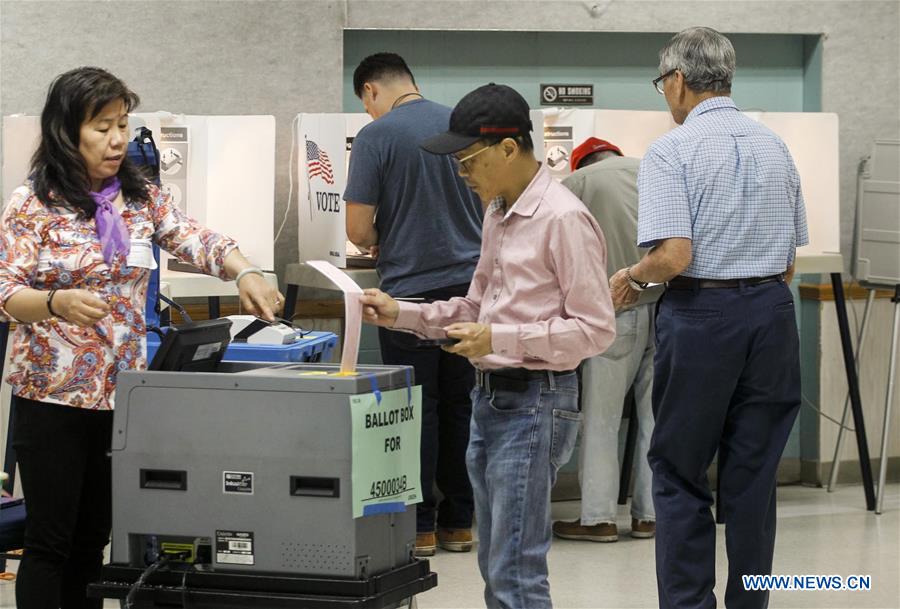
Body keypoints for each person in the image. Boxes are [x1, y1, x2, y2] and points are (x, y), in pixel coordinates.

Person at [0, 66, 282, 609]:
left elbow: (195, 237)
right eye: (101, 126)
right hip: (51, 396)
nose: (116, 140)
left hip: (121, 395)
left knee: (94, 540)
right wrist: (56, 302)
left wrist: (245, 270)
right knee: (50, 544)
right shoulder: (31, 203)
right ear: (66, 131)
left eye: (123, 125)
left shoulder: (140, 198)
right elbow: (6, 290)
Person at [359, 83, 616, 609]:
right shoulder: (498, 213)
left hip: (536, 401)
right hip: (491, 400)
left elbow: (595, 329)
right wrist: (400, 311)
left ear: (507, 148)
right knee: (495, 561)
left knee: (515, 567)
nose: (462, 173)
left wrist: (500, 338)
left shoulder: (563, 219)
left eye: (468, 160)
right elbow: (475, 309)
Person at [609, 27, 808, 609]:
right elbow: (790, 261)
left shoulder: (673, 150)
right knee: (753, 476)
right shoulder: (775, 145)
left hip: (702, 316)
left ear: (676, 81)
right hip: (772, 313)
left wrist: (631, 278)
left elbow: (674, 256)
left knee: (678, 470)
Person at [344, 52, 483, 556]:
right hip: (472, 293)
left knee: (414, 410)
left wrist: (387, 235)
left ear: (371, 92)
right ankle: (461, 522)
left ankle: (420, 525)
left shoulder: (376, 137)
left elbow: (357, 231)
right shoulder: (464, 125)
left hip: (406, 297)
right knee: (463, 405)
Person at [552, 137, 661, 543]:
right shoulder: (654, 169)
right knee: (657, 418)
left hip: (615, 313)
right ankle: (650, 515)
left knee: (601, 418)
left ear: (581, 163)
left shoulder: (577, 183)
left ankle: (598, 518)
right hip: (667, 308)